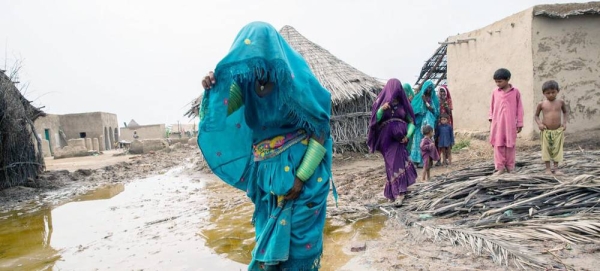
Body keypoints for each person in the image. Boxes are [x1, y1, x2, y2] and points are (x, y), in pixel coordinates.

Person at [198, 22, 335, 271]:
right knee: (268, 248)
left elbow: (321, 128)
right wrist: (214, 88)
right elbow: (218, 115)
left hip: (303, 180)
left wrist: (301, 177)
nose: (253, 62)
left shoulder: (294, 78)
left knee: (297, 251)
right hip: (266, 182)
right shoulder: (246, 87)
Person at [367, 78, 417, 205]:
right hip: (386, 141)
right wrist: (381, 110)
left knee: (397, 162)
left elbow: (411, 122)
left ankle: (399, 193)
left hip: (400, 139)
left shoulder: (403, 105)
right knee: (390, 164)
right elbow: (374, 121)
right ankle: (393, 192)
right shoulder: (380, 103)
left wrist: (408, 135)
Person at [489, 68, 524, 175]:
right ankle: (500, 168)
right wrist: (491, 119)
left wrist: (520, 123)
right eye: (496, 81)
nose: (497, 84)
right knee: (498, 145)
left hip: (510, 124)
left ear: (508, 79)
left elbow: (519, 108)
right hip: (498, 124)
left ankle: (510, 167)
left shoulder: (515, 92)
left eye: (500, 81)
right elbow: (491, 106)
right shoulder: (495, 92)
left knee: (510, 145)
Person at [534, 80, 568, 175]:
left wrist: (564, 123)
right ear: (543, 93)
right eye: (548, 93)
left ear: (558, 91)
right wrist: (540, 124)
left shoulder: (560, 102)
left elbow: (565, 112)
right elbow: (536, 116)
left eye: (553, 92)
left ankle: (556, 168)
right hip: (546, 131)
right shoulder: (542, 104)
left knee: (557, 149)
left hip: (558, 131)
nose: (551, 95)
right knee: (546, 149)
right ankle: (548, 169)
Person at [409, 80, 440, 167]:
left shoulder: (433, 99)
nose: (429, 90)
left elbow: (434, 110)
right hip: (419, 124)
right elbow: (413, 110)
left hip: (428, 124)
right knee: (417, 141)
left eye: (431, 88)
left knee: (427, 141)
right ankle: (416, 161)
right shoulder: (417, 98)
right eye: (428, 88)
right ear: (424, 88)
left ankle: (426, 162)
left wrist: (425, 102)